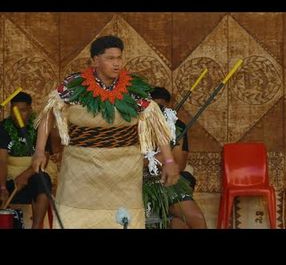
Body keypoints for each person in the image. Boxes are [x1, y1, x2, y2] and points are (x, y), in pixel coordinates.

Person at [32, 35, 179, 229]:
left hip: (123, 170)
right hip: (80, 169)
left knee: (122, 221)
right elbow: (49, 113)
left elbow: (156, 124)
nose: (117, 64)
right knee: (75, 220)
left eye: (119, 58)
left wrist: (169, 161)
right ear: (94, 61)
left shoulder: (132, 88)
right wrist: (40, 151)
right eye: (110, 58)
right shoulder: (75, 85)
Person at [148, 87, 207, 229]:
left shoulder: (176, 126)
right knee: (178, 224)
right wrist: (155, 159)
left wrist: (166, 159)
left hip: (167, 182)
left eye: (161, 108)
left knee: (196, 219)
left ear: (168, 107)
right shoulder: (137, 123)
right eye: (154, 107)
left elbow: (179, 165)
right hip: (144, 183)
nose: (158, 111)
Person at [0, 92, 57, 228]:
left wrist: (26, 174)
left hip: (35, 169)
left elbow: (45, 156)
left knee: (43, 181)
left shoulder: (39, 127)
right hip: (9, 170)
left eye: (23, 110)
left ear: (30, 109)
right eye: (14, 110)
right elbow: (1, 160)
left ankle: (36, 226)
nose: (18, 114)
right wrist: (2, 187)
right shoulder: (3, 128)